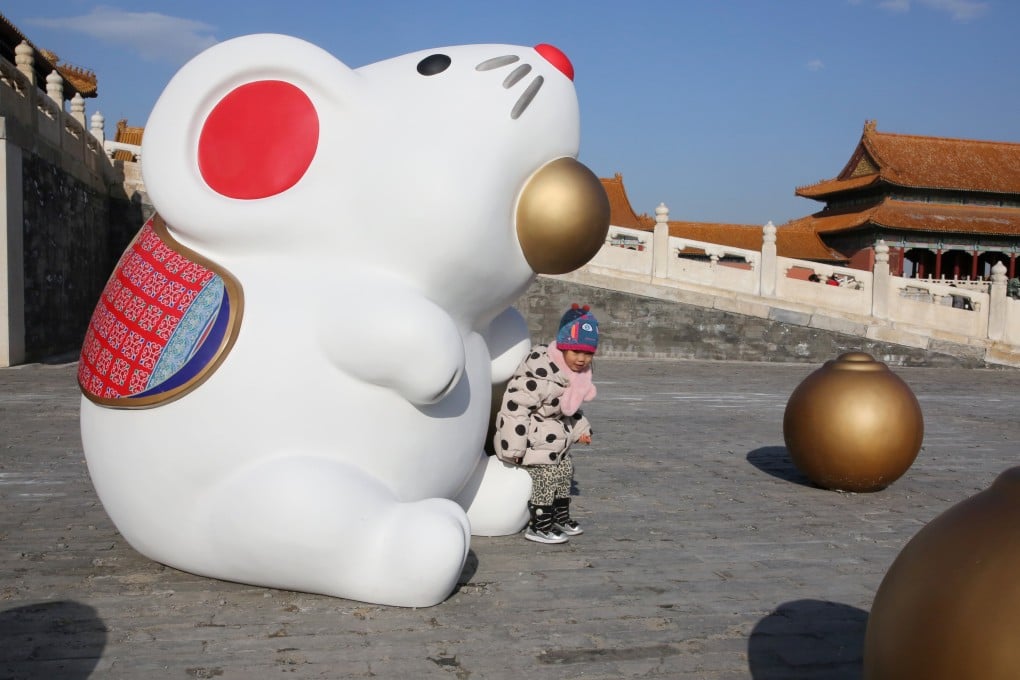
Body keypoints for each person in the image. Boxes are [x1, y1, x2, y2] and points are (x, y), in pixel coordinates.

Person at [493, 303, 599, 544]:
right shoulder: (540, 372)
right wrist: (514, 448)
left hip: (552, 441)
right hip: (530, 441)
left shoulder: (572, 375)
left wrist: (581, 429)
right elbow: (514, 409)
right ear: (562, 348)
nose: (582, 360)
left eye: (588, 353)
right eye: (576, 352)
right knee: (547, 474)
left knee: (564, 470)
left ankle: (559, 515)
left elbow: (568, 410)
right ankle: (539, 523)